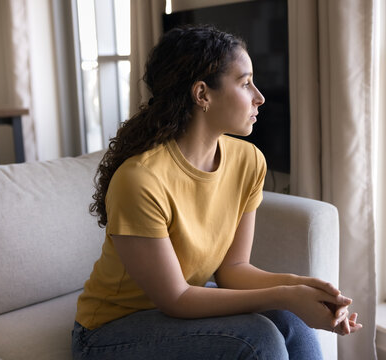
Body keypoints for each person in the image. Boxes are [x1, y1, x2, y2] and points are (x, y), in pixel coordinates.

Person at [72, 25, 362, 360]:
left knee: (289, 319)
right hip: (109, 332)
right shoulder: (140, 180)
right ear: (202, 95)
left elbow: (232, 269)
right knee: (258, 339)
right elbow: (176, 298)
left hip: (177, 308)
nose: (259, 96)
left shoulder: (248, 160)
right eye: (244, 83)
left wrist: (302, 290)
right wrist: (283, 295)